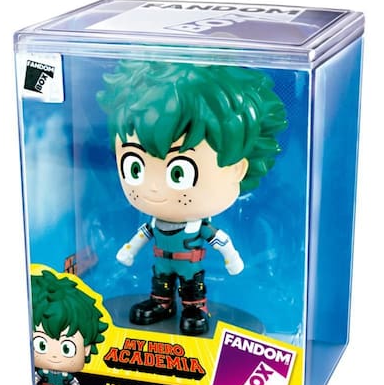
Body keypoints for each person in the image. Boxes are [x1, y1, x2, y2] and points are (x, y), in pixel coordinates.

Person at [98, 61, 286, 335]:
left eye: (178, 173)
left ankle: (194, 308)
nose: (154, 188)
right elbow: (141, 235)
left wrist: (232, 259)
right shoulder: (154, 223)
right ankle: (161, 304)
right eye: (135, 168)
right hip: (162, 263)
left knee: (191, 287)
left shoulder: (199, 226)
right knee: (160, 283)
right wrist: (128, 251)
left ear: (237, 169)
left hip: (190, 264)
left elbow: (221, 241)